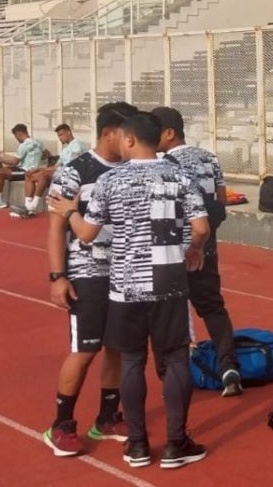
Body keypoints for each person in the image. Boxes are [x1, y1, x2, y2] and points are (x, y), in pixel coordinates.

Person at [48, 112, 210, 469]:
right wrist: (194, 249)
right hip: (168, 282)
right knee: (175, 359)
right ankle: (175, 442)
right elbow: (200, 225)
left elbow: (87, 235)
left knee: (132, 360)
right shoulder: (179, 174)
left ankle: (137, 445)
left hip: (124, 285)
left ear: (131, 139)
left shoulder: (111, 179)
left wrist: (72, 212)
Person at [42, 103, 137, 457]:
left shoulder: (132, 168)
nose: (133, 141)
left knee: (118, 345)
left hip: (126, 271)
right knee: (85, 349)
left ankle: (108, 417)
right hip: (87, 273)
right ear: (110, 132)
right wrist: (57, 276)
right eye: (128, 135)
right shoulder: (74, 171)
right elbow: (55, 228)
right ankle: (61, 425)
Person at [151, 106, 242, 398]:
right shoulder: (210, 158)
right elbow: (220, 200)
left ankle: (171, 374)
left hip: (175, 250)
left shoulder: (163, 164)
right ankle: (230, 367)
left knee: (168, 313)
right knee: (213, 308)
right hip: (207, 246)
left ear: (168, 133)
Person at [22, 124, 86, 215]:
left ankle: (33, 206)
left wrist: (44, 171)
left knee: (42, 175)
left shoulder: (77, 144)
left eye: (61, 135)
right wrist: (38, 169)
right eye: (58, 136)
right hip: (61, 172)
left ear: (69, 132)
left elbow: (72, 164)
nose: (60, 138)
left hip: (71, 174)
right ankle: (27, 205)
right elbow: (56, 166)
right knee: (30, 175)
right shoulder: (65, 149)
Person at [0, 123, 45, 210]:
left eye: (16, 136)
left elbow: (14, 162)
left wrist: (0, 159)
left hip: (25, 171)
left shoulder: (24, 145)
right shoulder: (38, 142)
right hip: (25, 168)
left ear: (18, 134)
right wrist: (36, 159)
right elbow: (46, 154)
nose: (16, 138)